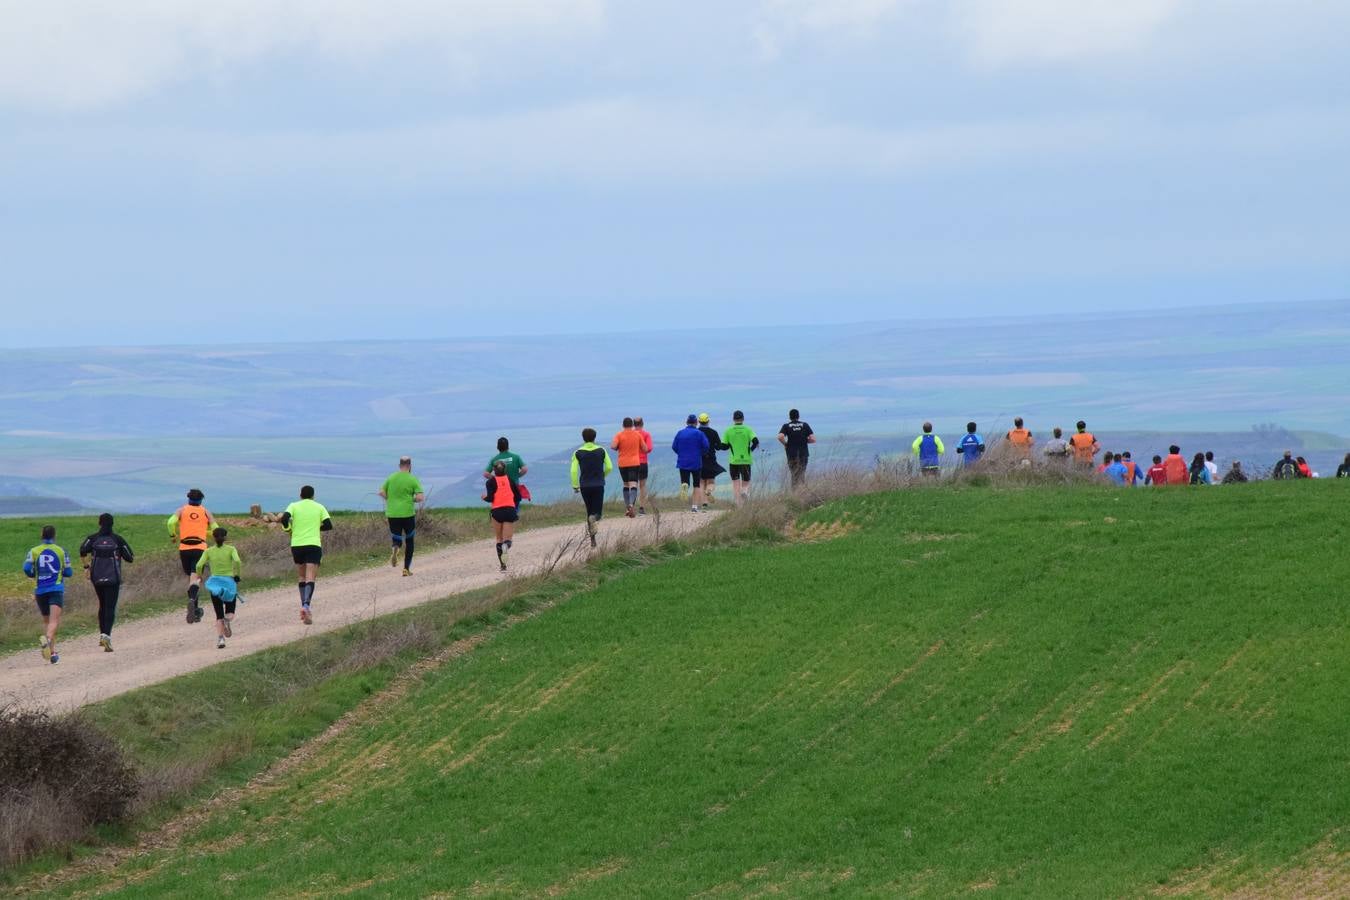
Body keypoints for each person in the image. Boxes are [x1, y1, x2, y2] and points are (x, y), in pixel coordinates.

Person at [78, 513, 135, 652]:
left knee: (102, 605)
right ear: (112, 524)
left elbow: (82, 550)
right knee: (110, 607)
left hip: (96, 577)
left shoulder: (93, 538)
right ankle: (106, 636)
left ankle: (102, 634)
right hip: (113, 578)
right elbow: (130, 557)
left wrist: (86, 567)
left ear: (99, 523)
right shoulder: (117, 539)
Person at [279, 485, 332, 625]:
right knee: (311, 577)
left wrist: (288, 529)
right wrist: (316, 527)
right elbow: (328, 525)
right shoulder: (319, 507)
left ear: (300, 495)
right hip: (313, 544)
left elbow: (284, 518)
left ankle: (304, 605)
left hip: (297, 545)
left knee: (301, 576)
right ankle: (306, 606)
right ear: (313, 496)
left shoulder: (293, 506)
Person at [23, 525, 72, 664]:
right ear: (54, 536)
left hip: (40, 589)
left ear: (42, 535)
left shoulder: (34, 551)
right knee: (54, 622)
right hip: (56, 588)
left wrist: (35, 574)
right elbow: (69, 572)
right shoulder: (61, 551)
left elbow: (27, 569)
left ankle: (52, 653)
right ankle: (48, 640)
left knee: (47, 622)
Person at [168, 488, 214, 624]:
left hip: (184, 548)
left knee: (191, 579)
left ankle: (195, 611)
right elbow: (216, 528)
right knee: (196, 579)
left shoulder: (181, 510)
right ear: (201, 500)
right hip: (200, 548)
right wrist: (207, 533)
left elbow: (170, 523)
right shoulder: (206, 512)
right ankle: (193, 602)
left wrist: (173, 535)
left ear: (188, 499)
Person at [195, 527, 242, 650]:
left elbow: (199, 564)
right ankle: (227, 620)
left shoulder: (208, 551)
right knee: (230, 611)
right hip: (229, 584)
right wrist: (237, 574)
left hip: (215, 584)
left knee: (218, 613)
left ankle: (221, 639)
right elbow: (237, 561)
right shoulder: (231, 549)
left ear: (213, 538)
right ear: (225, 537)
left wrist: (199, 575)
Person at [379, 456, 425, 576]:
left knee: (397, 537)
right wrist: (412, 499)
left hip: (393, 513)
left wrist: (390, 499)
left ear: (399, 466)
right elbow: (420, 497)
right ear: (410, 466)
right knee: (409, 540)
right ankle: (406, 569)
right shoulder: (412, 479)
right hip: (407, 513)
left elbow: (381, 492)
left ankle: (395, 547)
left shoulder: (391, 477)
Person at [571, 427, 613, 546]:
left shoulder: (577, 452)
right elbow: (609, 467)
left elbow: (573, 471)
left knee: (589, 511)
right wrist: (602, 475)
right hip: (598, 484)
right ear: (595, 437)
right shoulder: (601, 450)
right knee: (597, 513)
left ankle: (593, 540)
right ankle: (595, 517)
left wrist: (575, 485)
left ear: (583, 438)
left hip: (585, 485)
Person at [483, 461, 522, 571]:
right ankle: (506, 546)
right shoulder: (510, 480)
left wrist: (484, 498)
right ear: (505, 470)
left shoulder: (490, 482)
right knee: (507, 540)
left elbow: (490, 498)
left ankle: (503, 566)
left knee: (499, 539)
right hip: (509, 510)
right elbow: (518, 496)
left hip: (497, 511)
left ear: (494, 470)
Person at [721, 410, 760, 504]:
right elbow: (756, 441)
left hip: (734, 461)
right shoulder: (748, 429)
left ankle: (739, 505)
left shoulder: (728, 430)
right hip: (746, 460)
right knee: (746, 482)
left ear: (733, 419)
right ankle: (745, 491)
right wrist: (750, 450)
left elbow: (724, 446)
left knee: (735, 483)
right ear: (743, 419)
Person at [611, 418, 648, 518]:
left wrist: (620, 447)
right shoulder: (637, 434)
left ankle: (628, 507)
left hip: (622, 463)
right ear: (632, 425)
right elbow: (645, 449)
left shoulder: (619, 435)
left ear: (623, 425)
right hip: (634, 462)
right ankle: (632, 504)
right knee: (633, 484)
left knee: (626, 485)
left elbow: (613, 446)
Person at [673, 414, 710, 511]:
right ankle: (694, 507)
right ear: (696, 423)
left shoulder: (680, 433)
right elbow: (706, 446)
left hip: (683, 462)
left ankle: (685, 485)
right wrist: (700, 453)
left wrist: (681, 453)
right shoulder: (699, 433)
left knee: (685, 482)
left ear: (686, 422)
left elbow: (674, 446)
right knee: (696, 484)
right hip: (696, 462)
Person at [484, 437, 528, 507]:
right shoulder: (516, 457)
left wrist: (496, 479)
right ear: (508, 446)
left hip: (500, 489)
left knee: (501, 507)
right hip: (514, 487)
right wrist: (517, 475)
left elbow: (486, 474)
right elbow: (524, 469)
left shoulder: (494, 459)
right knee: (515, 508)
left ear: (497, 447)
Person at [778, 409, 815, 488]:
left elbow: (780, 437)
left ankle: (795, 494)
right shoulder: (805, 425)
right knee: (802, 474)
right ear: (798, 416)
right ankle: (802, 493)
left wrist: (786, 444)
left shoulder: (786, 426)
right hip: (803, 454)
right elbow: (813, 439)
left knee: (794, 475)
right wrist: (804, 441)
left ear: (789, 417)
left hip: (791, 454)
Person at [697, 413, 725, 507]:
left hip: (699, 460)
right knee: (711, 482)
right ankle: (708, 491)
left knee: (701, 482)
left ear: (699, 421)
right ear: (708, 421)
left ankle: (704, 504)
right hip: (711, 460)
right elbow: (719, 447)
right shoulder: (713, 432)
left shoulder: (696, 433)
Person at [633, 416, 654, 515]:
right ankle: (641, 508)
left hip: (631, 463)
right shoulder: (646, 434)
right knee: (642, 486)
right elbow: (649, 448)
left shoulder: (630, 434)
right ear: (642, 424)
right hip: (642, 462)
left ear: (634, 424)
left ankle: (630, 506)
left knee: (632, 485)